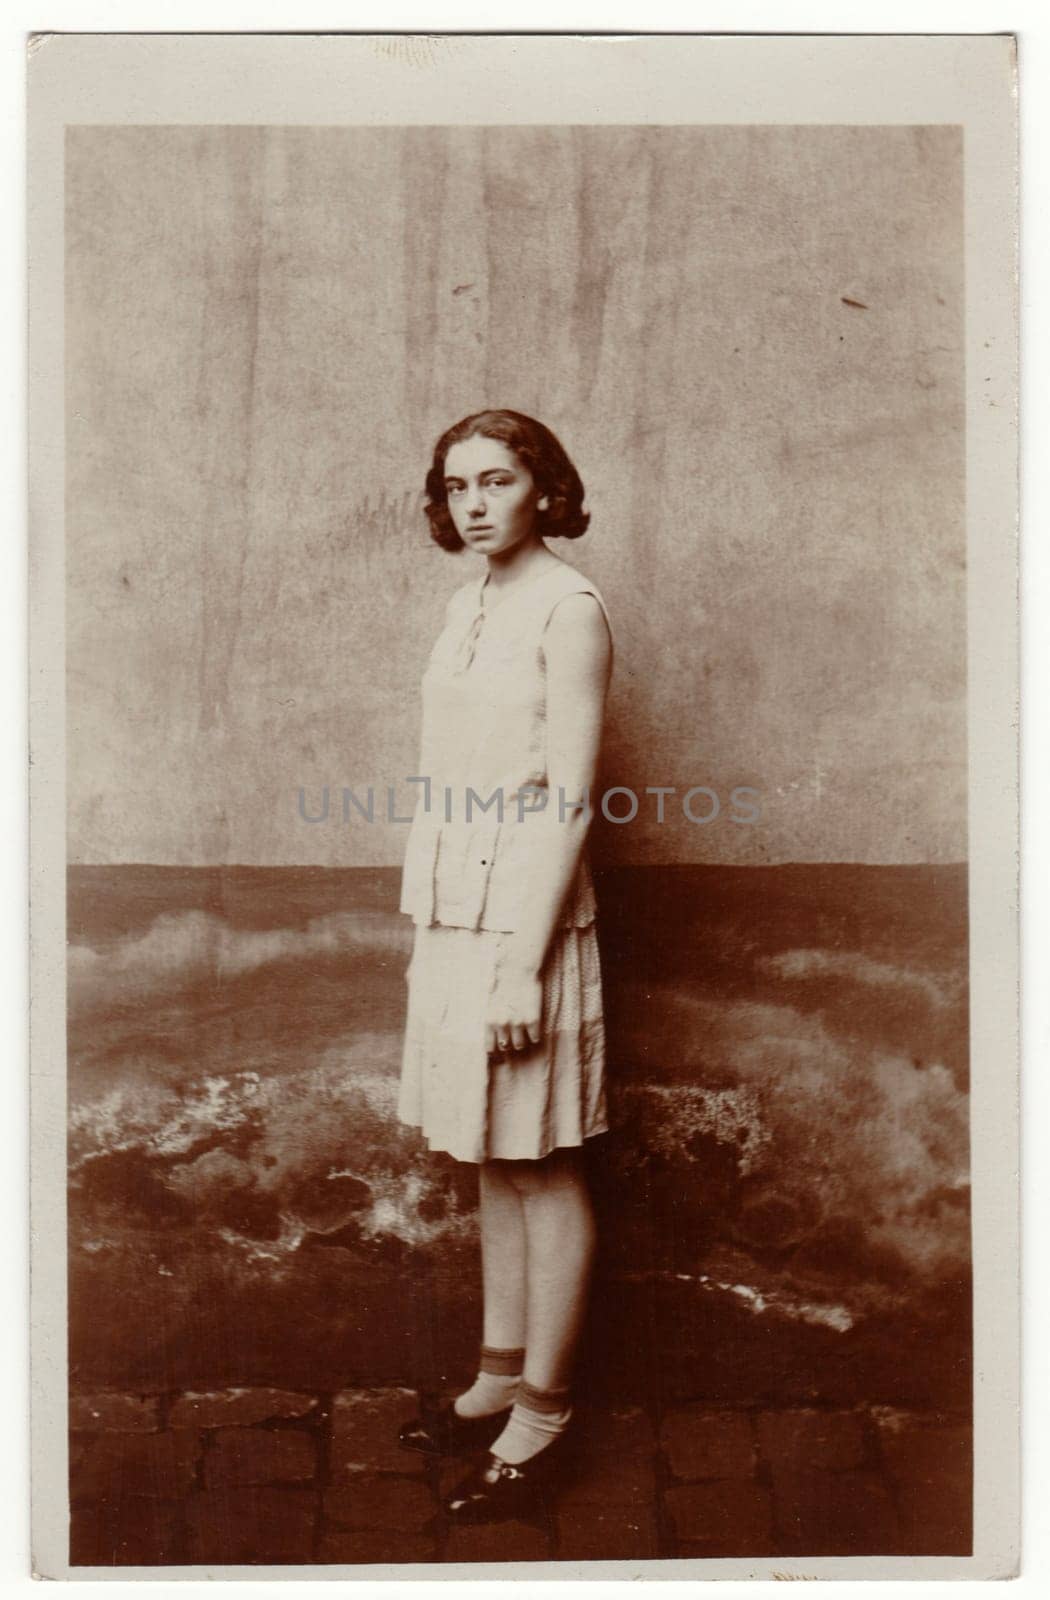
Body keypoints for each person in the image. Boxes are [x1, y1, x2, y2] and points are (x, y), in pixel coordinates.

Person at [395, 409, 614, 1524]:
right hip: (454, 905)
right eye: (458, 485)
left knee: (543, 1160)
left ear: (543, 488)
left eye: (497, 480)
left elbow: (570, 800)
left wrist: (524, 965)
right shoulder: (466, 599)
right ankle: (496, 1372)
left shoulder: (567, 610)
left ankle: (548, 1411)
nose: (476, 502)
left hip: (524, 911)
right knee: (490, 1150)